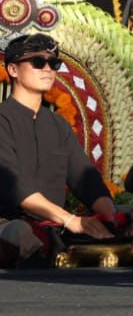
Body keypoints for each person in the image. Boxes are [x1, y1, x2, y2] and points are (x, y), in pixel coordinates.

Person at [0, 34, 123, 268]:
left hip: (55, 226)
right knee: (20, 233)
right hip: (10, 224)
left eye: (53, 63)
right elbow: (15, 187)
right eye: (38, 62)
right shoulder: (2, 120)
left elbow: (85, 179)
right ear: (13, 70)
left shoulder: (58, 125)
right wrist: (70, 220)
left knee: (130, 218)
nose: (48, 69)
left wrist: (111, 216)